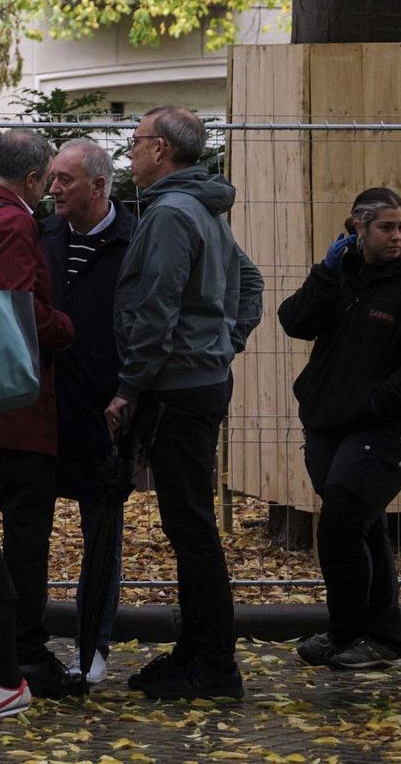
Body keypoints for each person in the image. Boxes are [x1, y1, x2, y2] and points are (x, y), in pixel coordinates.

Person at [108, 105, 262, 701]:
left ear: (162, 150)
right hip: (198, 380)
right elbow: (249, 283)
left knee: (191, 527)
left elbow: (158, 307)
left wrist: (129, 386)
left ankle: (215, 666)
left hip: (176, 388)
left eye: (137, 139)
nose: (130, 150)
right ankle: (198, 652)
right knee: (189, 522)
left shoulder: (174, 212)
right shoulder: (202, 207)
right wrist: (224, 344)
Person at [280, 187, 401, 671]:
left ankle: (346, 634)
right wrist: (325, 272)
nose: (397, 236)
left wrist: (373, 402)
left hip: (387, 427)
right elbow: (295, 321)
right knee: (363, 524)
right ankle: (379, 637)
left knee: (343, 520)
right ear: (358, 227)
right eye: (386, 227)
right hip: (328, 422)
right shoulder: (341, 276)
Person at [0, 131, 78, 703]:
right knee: (24, 543)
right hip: (18, 410)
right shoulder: (14, 223)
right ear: (33, 179)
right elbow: (13, 312)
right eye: (49, 180)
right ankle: (24, 654)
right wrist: (64, 326)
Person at [41, 137, 134, 684]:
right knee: (32, 528)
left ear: (99, 186)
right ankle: (26, 642)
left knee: (102, 533)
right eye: (52, 177)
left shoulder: (135, 239)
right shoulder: (43, 234)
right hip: (44, 407)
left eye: (65, 180)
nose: (52, 188)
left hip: (106, 411)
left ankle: (93, 646)